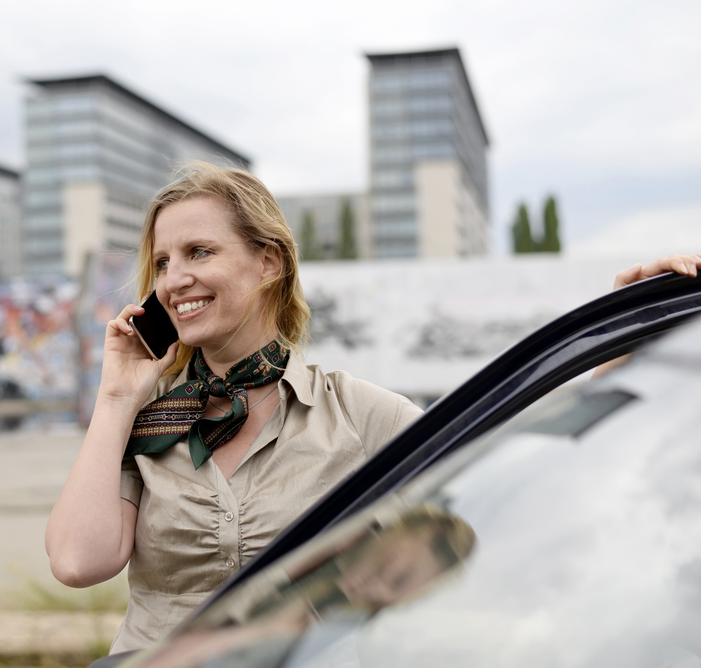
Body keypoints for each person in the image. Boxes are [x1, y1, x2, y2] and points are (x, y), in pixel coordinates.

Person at [44, 161, 700, 653]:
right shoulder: (143, 420)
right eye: (161, 262)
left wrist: (615, 342)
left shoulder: (358, 414)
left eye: (199, 252)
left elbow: (506, 452)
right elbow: (78, 562)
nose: (173, 279)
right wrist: (117, 397)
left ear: (268, 262)